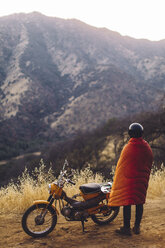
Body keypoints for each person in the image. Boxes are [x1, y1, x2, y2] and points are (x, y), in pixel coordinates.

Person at [108, 123, 153, 236]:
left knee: (127, 203)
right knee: (139, 202)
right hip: (141, 180)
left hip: (128, 181)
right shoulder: (146, 146)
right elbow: (149, 160)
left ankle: (126, 229)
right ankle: (136, 227)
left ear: (130, 134)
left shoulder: (128, 147)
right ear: (141, 133)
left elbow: (121, 166)